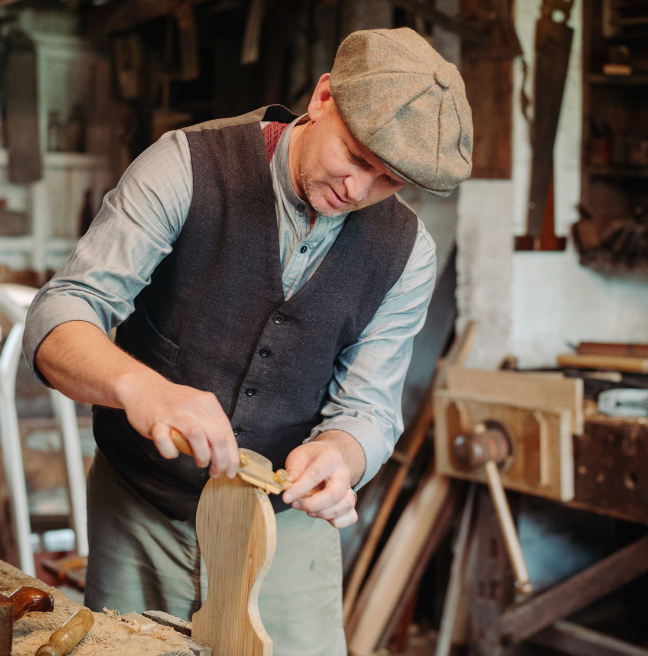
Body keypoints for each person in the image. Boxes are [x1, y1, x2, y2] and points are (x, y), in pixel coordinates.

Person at [24, 27, 472, 655]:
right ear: (322, 98)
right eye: (357, 156)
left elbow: (369, 407)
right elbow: (61, 313)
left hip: (285, 536)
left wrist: (343, 457)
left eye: (389, 180)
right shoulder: (183, 165)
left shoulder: (408, 254)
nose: (357, 189)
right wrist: (140, 388)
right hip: (142, 509)